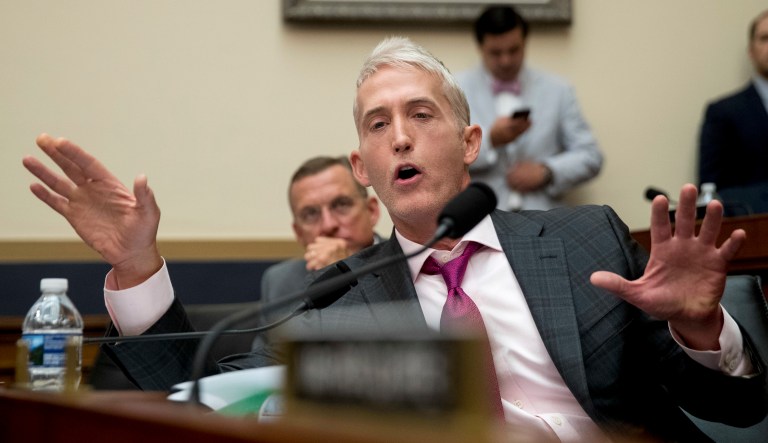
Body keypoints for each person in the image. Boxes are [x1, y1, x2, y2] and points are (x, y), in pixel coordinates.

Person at [22, 36, 766, 441]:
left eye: (422, 115)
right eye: (378, 125)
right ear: (363, 167)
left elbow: (737, 410)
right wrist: (138, 264)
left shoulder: (584, 238)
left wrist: (698, 323)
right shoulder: (330, 296)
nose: (400, 136)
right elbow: (197, 393)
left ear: (471, 140)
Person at [455, 5, 603, 211]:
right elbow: (445, 158)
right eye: (496, 53)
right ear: (480, 47)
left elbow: (591, 156)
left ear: (525, 42)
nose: (505, 61)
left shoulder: (558, 90)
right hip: (480, 219)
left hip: (545, 220)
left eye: (514, 50)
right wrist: (490, 140)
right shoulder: (455, 90)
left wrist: (547, 171)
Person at [260, 155, 381, 310]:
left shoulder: (405, 266)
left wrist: (341, 278)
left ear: (372, 211)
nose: (328, 225)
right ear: (299, 233)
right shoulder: (280, 282)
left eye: (341, 204)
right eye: (311, 214)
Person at [698, 9, 768, 195]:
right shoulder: (723, 112)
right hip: (752, 220)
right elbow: (710, 190)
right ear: (751, 51)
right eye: (765, 38)